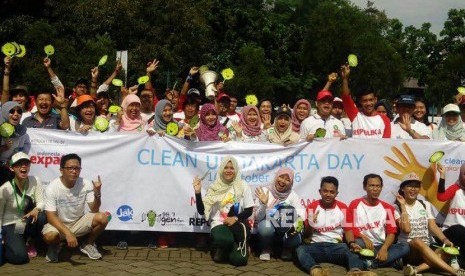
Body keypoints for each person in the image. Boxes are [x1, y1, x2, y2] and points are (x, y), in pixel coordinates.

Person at [296, 176, 375, 276]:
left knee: (353, 253)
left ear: (336, 193)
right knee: (300, 250)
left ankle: (355, 272)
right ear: (320, 191)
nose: (328, 195)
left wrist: (351, 243)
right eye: (325, 191)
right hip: (316, 247)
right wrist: (311, 224)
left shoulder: (343, 208)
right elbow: (306, 236)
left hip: (336, 247)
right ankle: (316, 271)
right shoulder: (312, 207)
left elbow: (348, 230)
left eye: (332, 192)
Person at [395, 171, 465, 276]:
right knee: (417, 241)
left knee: (449, 251)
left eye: (416, 186)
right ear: (402, 188)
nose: (413, 189)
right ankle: (453, 272)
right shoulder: (395, 208)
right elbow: (407, 229)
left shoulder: (425, 204)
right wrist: (403, 207)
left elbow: (432, 226)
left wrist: (445, 240)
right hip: (410, 249)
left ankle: (415, 270)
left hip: (428, 247)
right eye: (409, 186)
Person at [42, 153, 108, 262]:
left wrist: (98, 193)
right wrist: (68, 233)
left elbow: (94, 210)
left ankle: (87, 244)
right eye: (70, 168)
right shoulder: (52, 188)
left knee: (103, 217)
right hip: (59, 225)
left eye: (77, 168)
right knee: (50, 237)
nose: (74, 171)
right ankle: (54, 246)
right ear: (61, 170)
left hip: (78, 222)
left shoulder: (86, 184)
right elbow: (51, 217)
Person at [192, 156, 254, 266]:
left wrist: (235, 218)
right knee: (224, 240)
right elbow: (202, 211)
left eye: (232, 168)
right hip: (219, 224)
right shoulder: (215, 186)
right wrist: (198, 192)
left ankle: (238, 245)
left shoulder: (243, 185)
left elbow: (249, 210)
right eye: (226, 167)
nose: (229, 170)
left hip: (237, 224)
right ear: (221, 169)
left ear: (236, 170)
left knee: (240, 261)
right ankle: (221, 248)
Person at [347, 174, 409, 269]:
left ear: (381, 187)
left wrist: (384, 248)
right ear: (365, 187)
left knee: (405, 246)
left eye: (378, 186)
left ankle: (371, 264)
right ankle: (391, 262)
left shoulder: (388, 208)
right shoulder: (354, 204)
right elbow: (349, 227)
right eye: (372, 185)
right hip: (363, 244)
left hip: (381, 245)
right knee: (356, 244)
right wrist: (362, 236)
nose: (375, 189)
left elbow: (392, 232)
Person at [0, 152, 46, 264]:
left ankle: (30, 241)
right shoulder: (4, 189)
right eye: (19, 164)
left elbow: (42, 202)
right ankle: (9, 243)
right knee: (20, 258)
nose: (23, 166)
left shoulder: (35, 180)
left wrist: (37, 209)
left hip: (24, 222)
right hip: (9, 224)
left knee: (41, 217)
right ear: (11, 168)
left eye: (26, 163)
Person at [255, 168, 304, 261]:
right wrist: (264, 205)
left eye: (287, 179)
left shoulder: (292, 195)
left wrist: (295, 226)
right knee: (264, 227)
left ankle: (287, 249)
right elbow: (258, 218)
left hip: (285, 232)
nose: (283, 181)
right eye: (281, 177)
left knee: (296, 236)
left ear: (291, 182)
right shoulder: (265, 191)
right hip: (269, 229)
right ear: (276, 176)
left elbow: (301, 215)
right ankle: (266, 248)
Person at [340, 65, 391, 138]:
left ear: (375, 100)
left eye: (371, 100)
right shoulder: (355, 116)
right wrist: (345, 78)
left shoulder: (385, 119)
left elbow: (385, 144)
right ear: (360, 102)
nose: (368, 103)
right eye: (365, 101)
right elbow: (346, 97)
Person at [437, 163, 465, 267]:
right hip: (450, 232)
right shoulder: (456, 188)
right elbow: (441, 197)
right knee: (459, 229)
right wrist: (442, 176)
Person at [0, 101, 31, 185]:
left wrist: (13, 161)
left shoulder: (21, 131)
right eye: (12, 111)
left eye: (19, 111)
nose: (16, 114)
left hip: (10, 170)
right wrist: (2, 149)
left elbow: (22, 149)